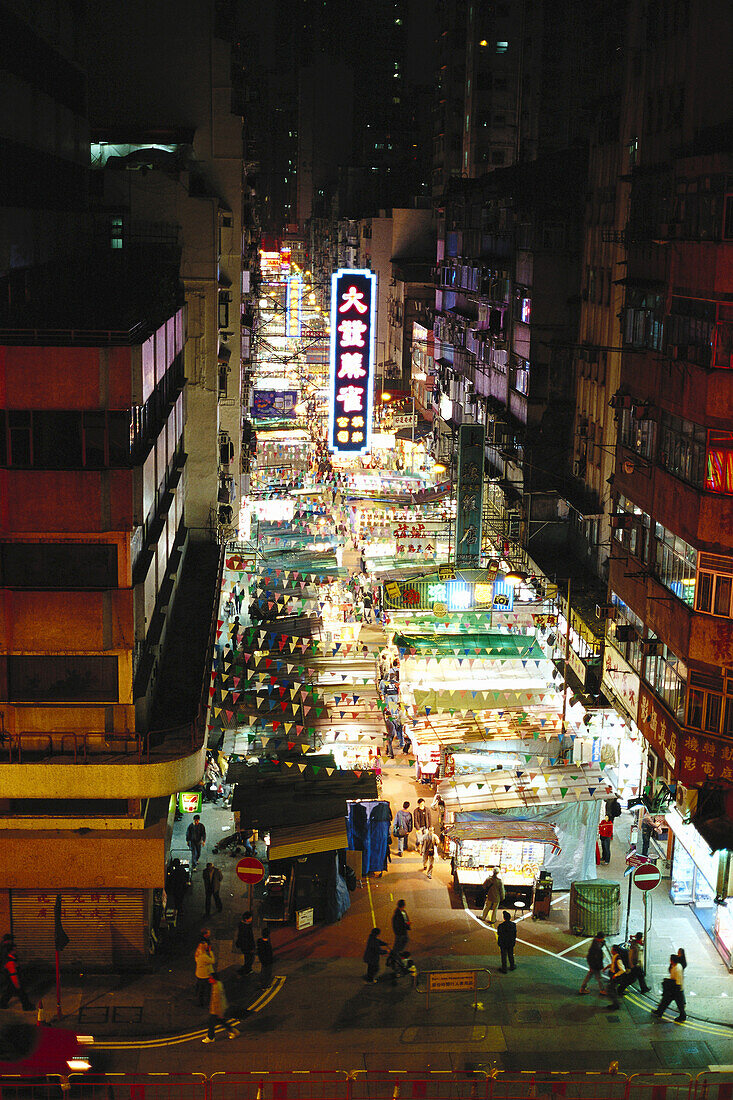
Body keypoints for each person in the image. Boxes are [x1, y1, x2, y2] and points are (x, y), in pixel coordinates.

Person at [201, 974, 239, 1043]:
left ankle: (211, 1037)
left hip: (217, 1010)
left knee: (211, 1023)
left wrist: (220, 1013)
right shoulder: (217, 984)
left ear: (214, 979)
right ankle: (233, 1031)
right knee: (222, 1022)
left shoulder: (217, 987)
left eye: (210, 978)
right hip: (217, 1010)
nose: (209, 980)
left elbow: (218, 1001)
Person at [653, 953, 686, 1022]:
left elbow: (677, 981)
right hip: (675, 989)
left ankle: (682, 1016)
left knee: (677, 1004)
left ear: (672, 960)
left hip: (676, 990)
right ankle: (659, 1011)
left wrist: (668, 982)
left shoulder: (677, 969)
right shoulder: (676, 966)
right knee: (665, 1001)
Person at [0, 938, 32, 1010]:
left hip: (12, 981)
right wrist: (17, 983)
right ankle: (26, 1006)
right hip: (14, 980)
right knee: (22, 993)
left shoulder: (13, 958)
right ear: (10, 951)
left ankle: (2, 1004)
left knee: (9, 992)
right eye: (14, 949)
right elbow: (13, 974)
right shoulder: (10, 961)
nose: (16, 951)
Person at [194, 929, 216, 1006]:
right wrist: (211, 952)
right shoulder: (204, 957)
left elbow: (196, 959)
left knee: (199, 986)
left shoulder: (198, 953)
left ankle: (196, 995)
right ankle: (203, 1002)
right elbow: (212, 961)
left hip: (198, 973)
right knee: (204, 989)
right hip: (204, 975)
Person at [604, 944, 627, 1010]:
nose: (611, 951)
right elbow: (613, 964)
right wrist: (607, 967)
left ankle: (615, 1004)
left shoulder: (618, 959)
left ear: (615, 951)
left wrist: (615, 975)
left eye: (612, 949)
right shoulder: (614, 956)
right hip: (612, 975)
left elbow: (623, 970)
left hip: (615, 977)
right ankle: (615, 1004)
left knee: (611, 990)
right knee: (612, 990)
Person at [388, 900, 411, 966]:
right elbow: (401, 924)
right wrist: (407, 925)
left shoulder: (398, 913)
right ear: (403, 905)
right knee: (399, 946)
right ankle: (395, 958)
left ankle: (393, 957)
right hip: (401, 933)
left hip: (399, 933)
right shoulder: (401, 914)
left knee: (397, 946)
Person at [235, 911, 255, 976]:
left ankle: (245, 968)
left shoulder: (241, 925)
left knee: (247, 957)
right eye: (250, 918)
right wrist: (252, 947)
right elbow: (250, 938)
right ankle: (247, 970)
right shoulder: (247, 928)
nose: (251, 919)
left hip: (243, 946)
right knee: (250, 958)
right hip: (247, 946)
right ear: (247, 919)